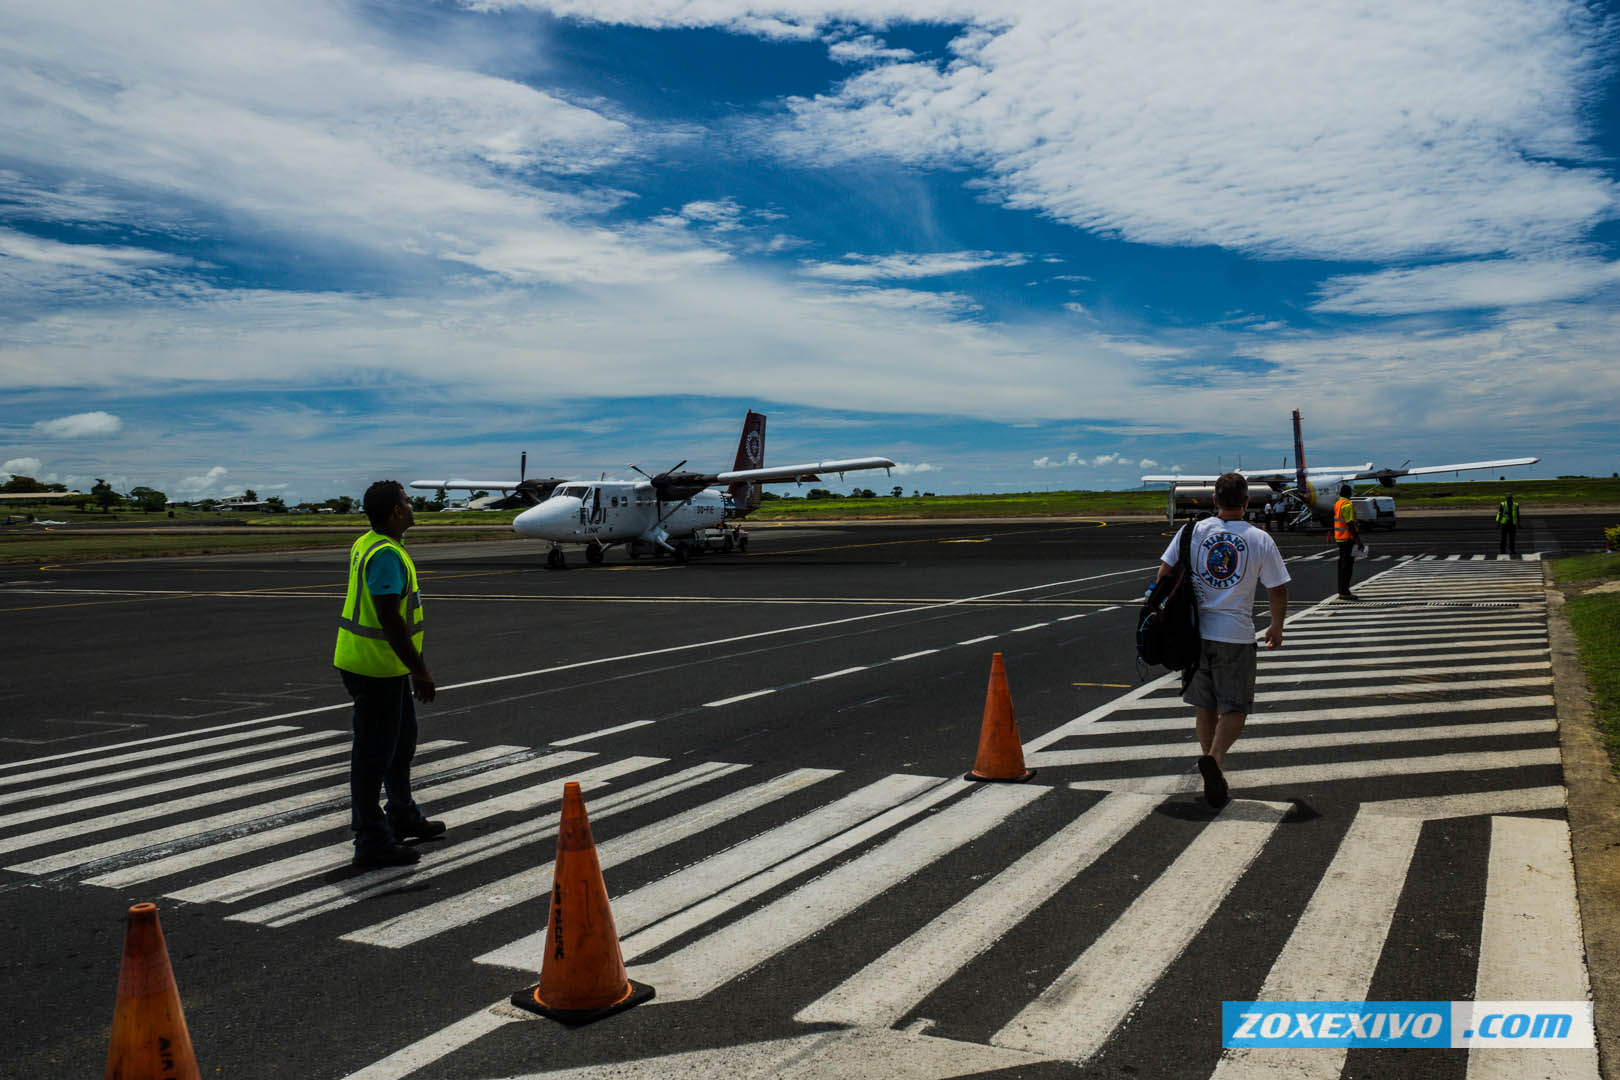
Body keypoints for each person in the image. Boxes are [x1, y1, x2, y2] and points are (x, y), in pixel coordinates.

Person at [1156, 472, 1289, 808]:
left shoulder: (1191, 531)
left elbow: (1163, 574)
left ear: (1214, 500)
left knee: (1206, 704)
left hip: (1195, 631)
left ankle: (1209, 764)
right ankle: (1214, 761)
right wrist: (1276, 625)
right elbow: (1276, 588)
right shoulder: (1260, 539)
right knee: (1236, 706)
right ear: (1247, 502)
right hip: (1235, 635)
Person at [333, 480, 442, 868]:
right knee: (372, 757)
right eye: (407, 502)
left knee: (400, 746)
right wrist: (421, 670)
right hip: (372, 667)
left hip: (384, 665)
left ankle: (402, 814)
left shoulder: (374, 543)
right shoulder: (384, 554)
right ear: (397, 512)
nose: (412, 507)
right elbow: (389, 618)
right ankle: (371, 838)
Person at [1332, 482, 1362, 599]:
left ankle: (1342, 590)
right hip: (1347, 539)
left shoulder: (1338, 504)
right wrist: (1358, 541)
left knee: (1342, 566)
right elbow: (1350, 524)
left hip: (1339, 538)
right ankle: (1344, 592)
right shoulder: (1348, 505)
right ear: (1349, 493)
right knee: (1347, 567)